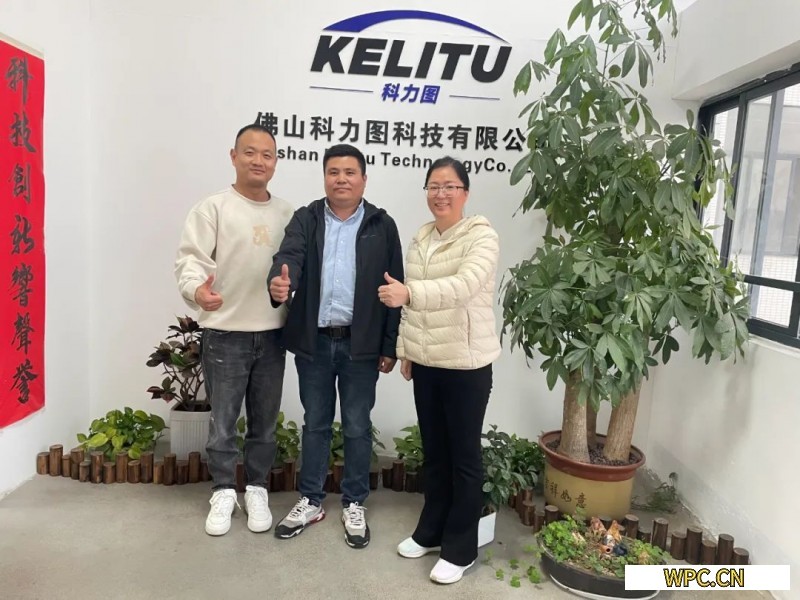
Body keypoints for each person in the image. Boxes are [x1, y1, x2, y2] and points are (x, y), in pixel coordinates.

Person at [267, 143, 403, 549]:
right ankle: (310, 500)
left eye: (349, 172)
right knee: (316, 424)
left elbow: (394, 286)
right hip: (316, 343)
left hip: (361, 346)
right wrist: (280, 281)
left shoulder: (382, 224)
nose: (341, 179)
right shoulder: (307, 218)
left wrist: (390, 345)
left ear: (364, 179)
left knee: (358, 426)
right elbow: (288, 256)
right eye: (333, 172)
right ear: (324, 177)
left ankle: (354, 501)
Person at [378, 156, 501, 584]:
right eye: (433, 186)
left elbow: (463, 288)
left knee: (464, 457)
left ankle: (460, 548)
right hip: (428, 363)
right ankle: (431, 531)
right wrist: (408, 350)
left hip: (466, 363)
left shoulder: (481, 236)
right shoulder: (422, 238)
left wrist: (409, 293)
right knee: (435, 453)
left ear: (465, 193)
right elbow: (413, 310)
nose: (440, 194)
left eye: (449, 186)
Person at [174, 124, 294, 537]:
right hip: (225, 334)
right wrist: (196, 291)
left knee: (264, 423)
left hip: (273, 335)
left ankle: (257, 488)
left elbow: (297, 268)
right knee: (223, 424)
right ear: (233, 156)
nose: (258, 161)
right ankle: (224, 490)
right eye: (250, 152)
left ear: (275, 162)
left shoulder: (288, 214)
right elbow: (190, 261)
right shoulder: (213, 208)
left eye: (267, 154)